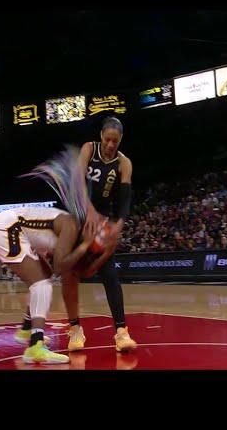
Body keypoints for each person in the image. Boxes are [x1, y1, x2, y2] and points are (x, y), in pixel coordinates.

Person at [0, 206, 112, 364]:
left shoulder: (74, 233)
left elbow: (77, 271)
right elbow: (60, 267)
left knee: (46, 275)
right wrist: (85, 245)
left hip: (14, 229)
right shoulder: (71, 225)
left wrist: (98, 252)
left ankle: (26, 329)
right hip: (6, 227)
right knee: (41, 284)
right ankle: (35, 347)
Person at [62, 117, 137, 352]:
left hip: (102, 220)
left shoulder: (124, 164)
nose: (111, 144)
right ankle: (75, 329)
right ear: (101, 135)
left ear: (121, 139)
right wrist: (89, 209)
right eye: (107, 139)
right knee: (70, 274)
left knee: (109, 273)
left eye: (115, 141)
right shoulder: (89, 148)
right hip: (79, 214)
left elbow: (124, 199)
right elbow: (77, 181)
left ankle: (121, 332)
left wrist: (119, 224)